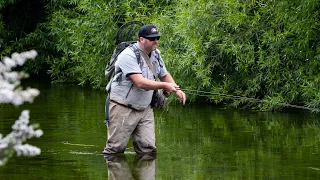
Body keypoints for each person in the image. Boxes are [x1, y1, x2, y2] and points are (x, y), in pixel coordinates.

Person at [102, 24, 186, 155]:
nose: (156, 41)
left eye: (157, 38)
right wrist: (165, 86)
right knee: (114, 151)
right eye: (152, 39)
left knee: (148, 151)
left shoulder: (156, 54)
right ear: (141, 39)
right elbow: (140, 82)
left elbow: (164, 74)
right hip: (122, 107)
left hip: (145, 108)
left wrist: (176, 89)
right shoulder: (127, 55)